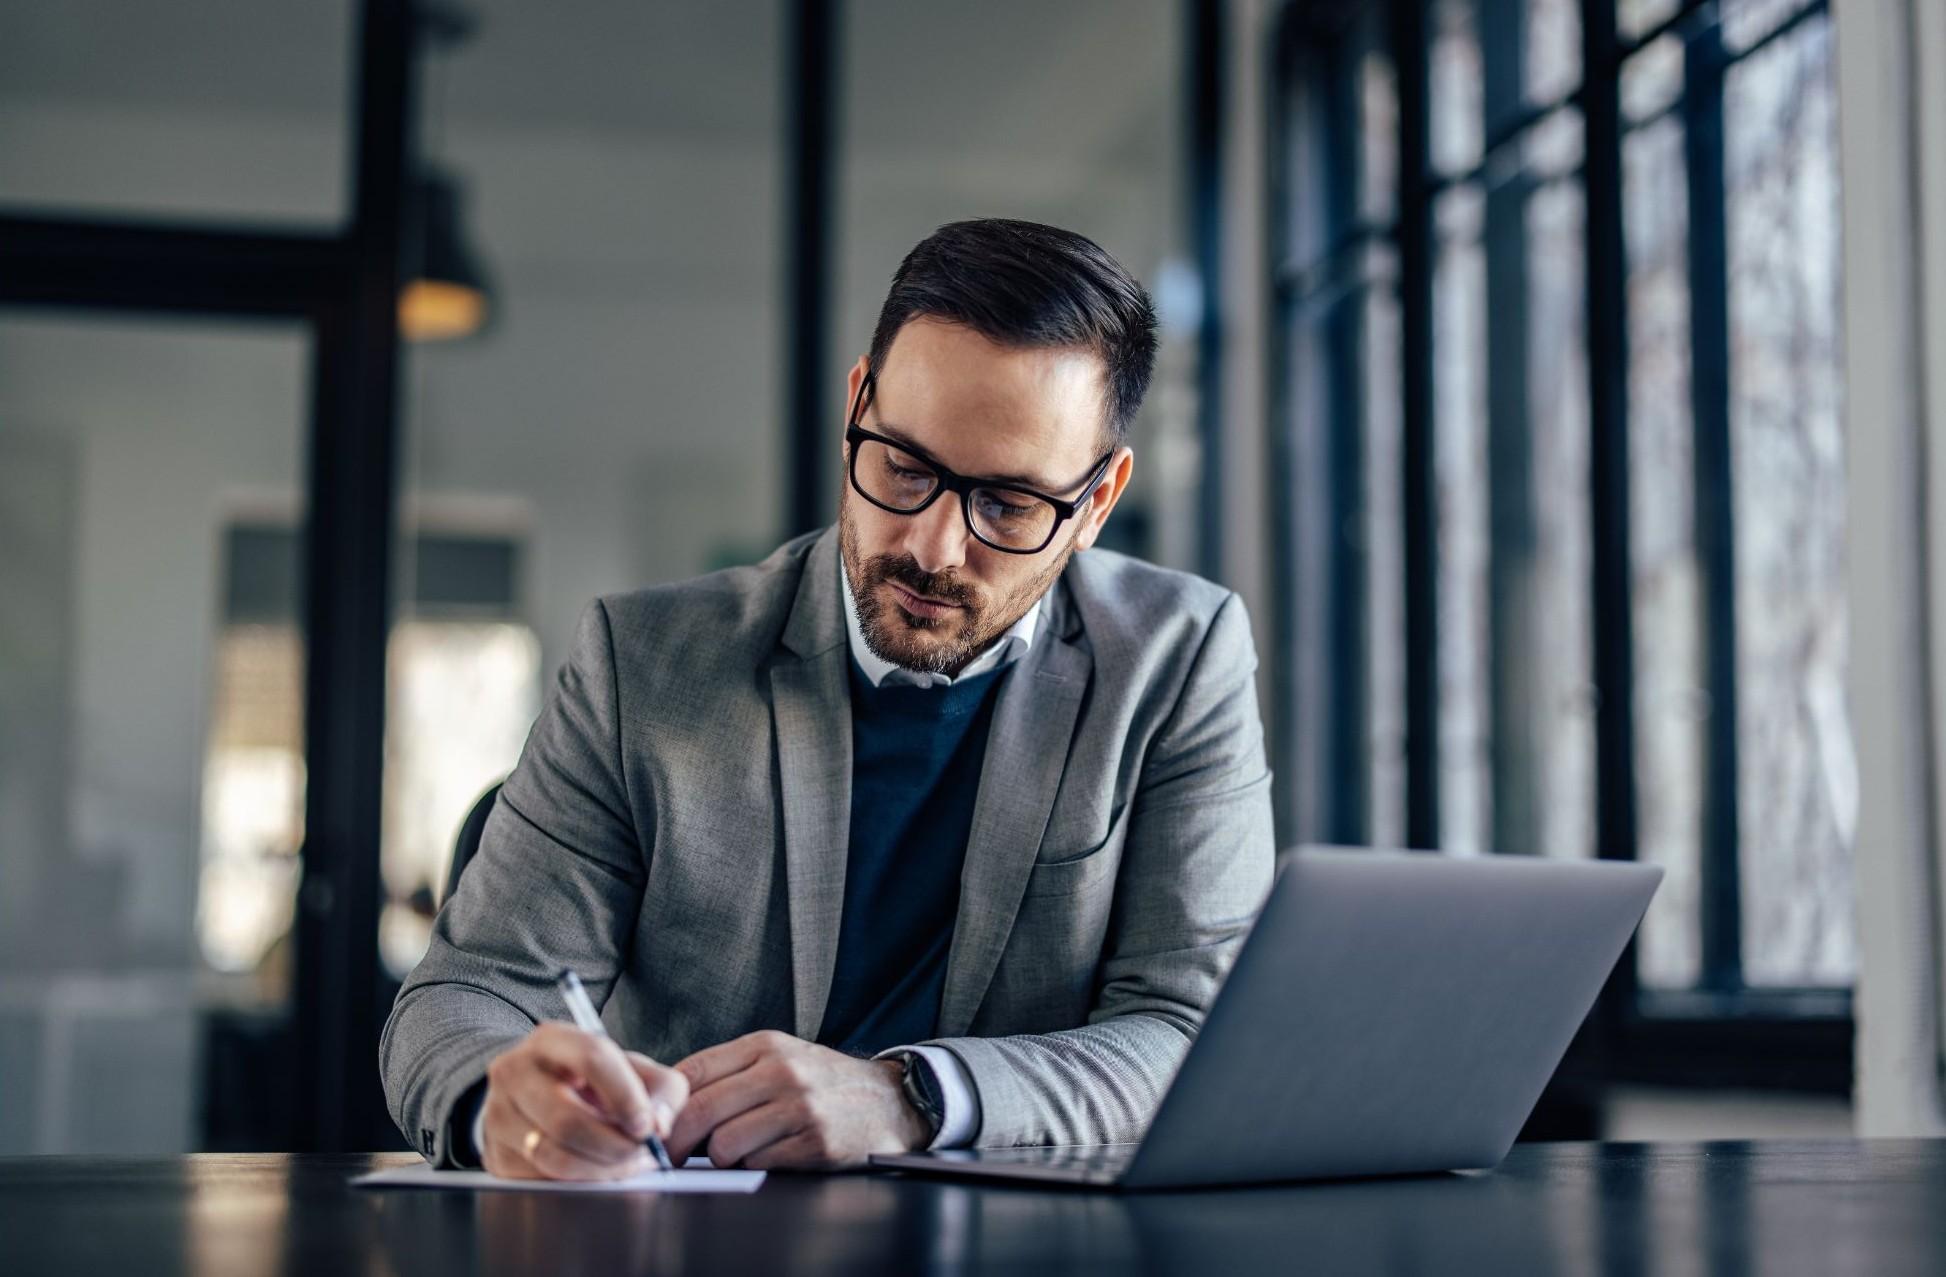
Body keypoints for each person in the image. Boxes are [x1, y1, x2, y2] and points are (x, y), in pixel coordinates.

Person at [380, 217, 1274, 1178]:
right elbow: (460, 998)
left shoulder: (1178, 658)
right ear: (857, 405)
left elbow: (1196, 1033)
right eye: (905, 467)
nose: (932, 548)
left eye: (1008, 506)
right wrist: (497, 1102)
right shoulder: (640, 662)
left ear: (1096, 503)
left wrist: (909, 1095)